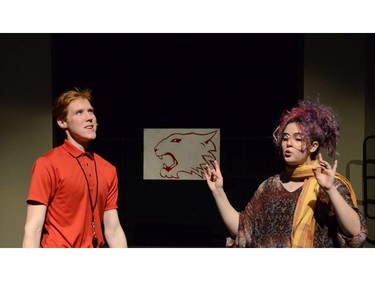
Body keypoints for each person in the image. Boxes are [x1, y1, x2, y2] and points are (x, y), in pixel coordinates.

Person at [204, 100, 367, 247]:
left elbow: (355, 233)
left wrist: (331, 189)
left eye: (298, 139)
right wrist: (218, 192)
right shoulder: (269, 187)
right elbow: (242, 230)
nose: (289, 143)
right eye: (285, 138)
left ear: (313, 146)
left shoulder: (328, 184)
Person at [22, 87, 128, 248]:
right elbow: (33, 228)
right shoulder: (48, 164)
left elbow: (113, 229)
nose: (89, 118)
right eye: (79, 112)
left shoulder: (108, 169)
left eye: (90, 111)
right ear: (62, 122)